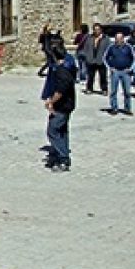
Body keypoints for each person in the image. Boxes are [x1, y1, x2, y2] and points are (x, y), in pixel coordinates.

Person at [41, 40, 76, 172]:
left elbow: (60, 91)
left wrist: (51, 102)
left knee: (53, 131)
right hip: (67, 105)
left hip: (63, 106)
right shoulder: (67, 68)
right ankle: (62, 152)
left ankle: (63, 157)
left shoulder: (62, 71)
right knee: (62, 131)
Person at [103, 31, 135, 115]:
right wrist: (110, 68)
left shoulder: (128, 47)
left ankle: (127, 108)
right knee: (113, 91)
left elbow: (134, 58)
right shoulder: (111, 47)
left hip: (125, 71)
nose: (118, 40)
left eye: (120, 38)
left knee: (127, 92)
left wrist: (130, 68)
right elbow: (105, 58)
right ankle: (114, 108)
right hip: (115, 71)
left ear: (123, 39)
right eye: (117, 38)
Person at [83, 23, 110, 94]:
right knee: (90, 76)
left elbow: (108, 49)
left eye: (98, 29)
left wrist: (106, 59)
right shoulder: (89, 38)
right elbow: (85, 47)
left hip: (101, 60)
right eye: (95, 30)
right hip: (91, 60)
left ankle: (104, 89)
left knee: (103, 76)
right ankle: (89, 88)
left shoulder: (106, 39)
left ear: (101, 30)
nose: (96, 31)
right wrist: (87, 57)